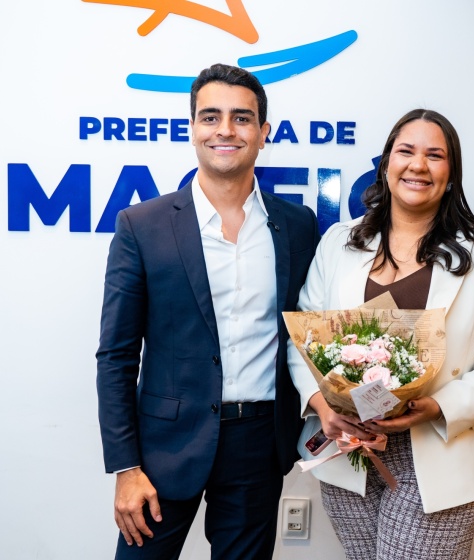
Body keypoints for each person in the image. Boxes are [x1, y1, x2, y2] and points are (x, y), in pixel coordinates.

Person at [96, 63, 319, 559]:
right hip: (162, 449)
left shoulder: (298, 226)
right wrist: (125, 467)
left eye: (242, 118)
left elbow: (306, 333)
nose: (225, 130)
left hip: (258, 444)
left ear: (264, 133)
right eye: (211, 116)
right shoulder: (142, 226)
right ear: (192, 128)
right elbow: (115, 355)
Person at [288, 108, 474, 559]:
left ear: (451, 174)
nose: (418, 165)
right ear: (385, 164)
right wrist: (324, 407)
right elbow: (303, 339)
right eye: (406, 151)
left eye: (435, 155)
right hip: (347, 453)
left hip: (440, 451)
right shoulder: (339, 243)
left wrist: (435, 405)